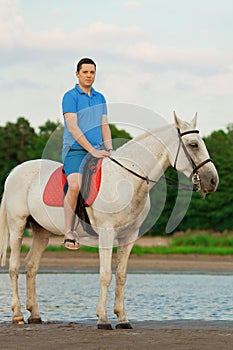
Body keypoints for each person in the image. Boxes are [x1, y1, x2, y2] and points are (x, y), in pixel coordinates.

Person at [62, 58, 112, 250]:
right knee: (74, 185)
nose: (89, 76)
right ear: (77, 74)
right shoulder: (70, 96)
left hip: (99, 150)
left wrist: (109, 150)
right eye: (85, 72)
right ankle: (69, 231)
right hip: (75, 151)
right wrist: (92, 150)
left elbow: (104, 126)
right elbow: (73, 127)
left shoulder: (100, 98)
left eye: (92, 72)